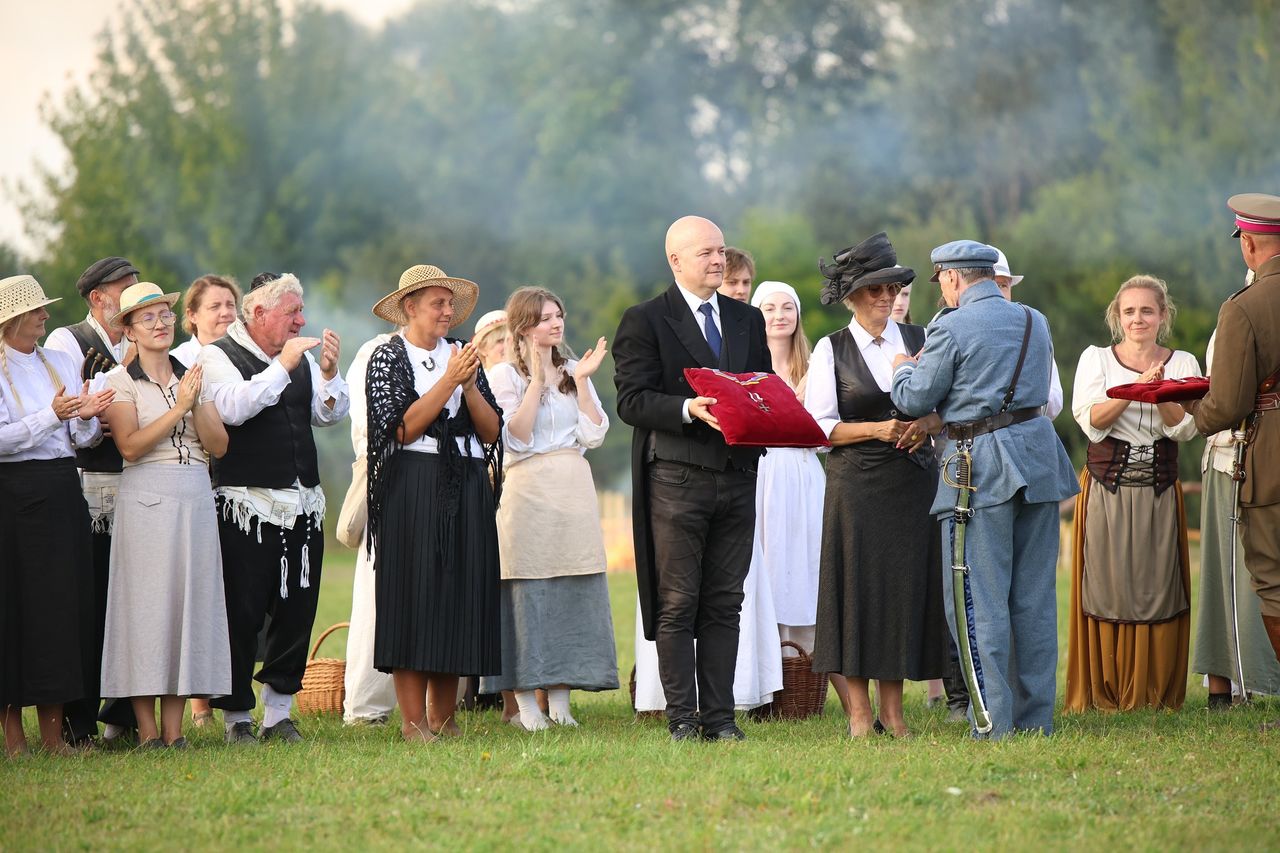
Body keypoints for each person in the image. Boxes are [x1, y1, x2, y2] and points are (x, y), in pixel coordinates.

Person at [890, 240, 1078, 740]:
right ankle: (1035, 720)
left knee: (976, 598)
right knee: (1035, 600)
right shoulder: (1034, 320)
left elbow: (914, 398)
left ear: (952, 278)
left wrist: (901, 369)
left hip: (980, 470)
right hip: (1038, 462)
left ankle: (992, 722)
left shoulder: (948, 326)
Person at [613, 215, 772, 742]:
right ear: (675, 260)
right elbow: (632, 400)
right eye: (705, 252)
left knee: (726, 601)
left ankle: (721, 720)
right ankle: (683, 717)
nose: (717, 260)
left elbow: (763, 388)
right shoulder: (645, 320)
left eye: (721, 251)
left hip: (738, 476)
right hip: (677, 480)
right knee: (679, 601)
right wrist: (686, 408)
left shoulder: (746, 320)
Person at [806, 235, 947, 737]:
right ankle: (860, 715)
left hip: (913, 485)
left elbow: (944, 410)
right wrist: (876, 429)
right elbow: (818, 428)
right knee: (855, 593)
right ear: (852, 298)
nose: (886, 297)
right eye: (874, 290)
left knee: (901, 594)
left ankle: (894, 712)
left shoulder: (920, 340)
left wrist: (924, 425)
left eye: (892, 287)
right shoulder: (831, 348)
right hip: (856, 486)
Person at [198, 271, 348, 745]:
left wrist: (326, 374)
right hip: (247, 503)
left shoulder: (296, 355)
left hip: (303, 501)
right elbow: (233, 409)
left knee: (295, 610)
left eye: (301, 311)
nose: (301, 320)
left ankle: (279, 713)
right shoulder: (216, 355)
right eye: (292, 312)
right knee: (241, 613)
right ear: (259, 314)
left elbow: (326, 415)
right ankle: (236, 717)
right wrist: (282, 365)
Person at [366, 265, 503, 743]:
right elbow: (402, 428)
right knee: (414, 593)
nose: (448, 312)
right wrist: (448, 381)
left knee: (458, 594)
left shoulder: (464, 356)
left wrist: (467, 384)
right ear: (410, 308)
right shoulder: (388, 357)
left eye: (451, 304)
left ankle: (445, 719)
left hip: (466, 479)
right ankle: (411, 723)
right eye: (438, 304)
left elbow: (491, 431)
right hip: (414, 480)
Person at [478, 287, 618, 729]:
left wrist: (581, 381)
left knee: (569, 592)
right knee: (526, 596)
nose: (556, 324)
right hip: (527, 490)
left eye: (559, 315)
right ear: (523, 326)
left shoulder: (574, 370)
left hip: (572, 488)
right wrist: (536, 383)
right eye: (544, 318)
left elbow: (595, 434)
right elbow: (513, 437)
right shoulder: (504, 375)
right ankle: (525, 706)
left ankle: (560, 703)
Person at [99, 283, 231, 748]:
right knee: (146, 611)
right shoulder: (118, 382)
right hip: (147, 499)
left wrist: (194, 403)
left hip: (194, 495)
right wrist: (178, 408)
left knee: (183, 608)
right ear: (129, 330)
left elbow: (218, 446)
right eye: (148, 317)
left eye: (164, 315)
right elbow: (131, 447)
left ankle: (174, 733)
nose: (160, 323)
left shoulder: (194, 375)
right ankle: (148, 731)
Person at [1065, 275, 1200, 712]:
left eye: (1147, 310)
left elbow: (1183, 427)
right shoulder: (1096, 360)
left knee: (1159, 587)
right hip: (1108, 488)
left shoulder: (1183, 362)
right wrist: (1136, 387)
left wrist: (1160, 391)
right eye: (1129, 311)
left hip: (1159, 490)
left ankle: (1155, 691)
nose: (1137, 318)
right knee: (1107, 586)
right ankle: (1108, 688)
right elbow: (1093, 422)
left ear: (1163, 315)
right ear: (1117, 317)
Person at [0, 275, 114, 756]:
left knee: (61, 610)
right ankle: (13, 737)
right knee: (14, 610)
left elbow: (81, 440)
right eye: (36, 311)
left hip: (63, 487)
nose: (45, 317)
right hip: (14, 495)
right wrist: (53, 414)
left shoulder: (59, 359)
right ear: (12, 319)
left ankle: (54, 734)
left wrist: (87, 415)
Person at [1190, 192, 1280, 729]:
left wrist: (1189, 415)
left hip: (1270, 457)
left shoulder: (1243, 308)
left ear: (1248, 244)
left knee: (1272, 578)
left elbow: (1227, 403)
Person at [44, 256, 140, 746]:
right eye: (125, 287)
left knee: (133, 603)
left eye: (135, 285)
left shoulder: (145, 339)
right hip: (94, 486)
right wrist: (95, 414)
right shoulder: (67, 340)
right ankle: (78, 718)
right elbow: (65, 409)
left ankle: (123, 715)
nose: (133, 294)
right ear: (97, 297)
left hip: (140, 483)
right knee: (91, 601)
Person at [750, 280, 846, 713]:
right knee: (764, 566)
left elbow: (826, 435)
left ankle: (812, 674)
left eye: (787, 307)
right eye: (768, 308)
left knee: (807, 567)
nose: (778, 315)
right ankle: (761, 686)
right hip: (760, 474)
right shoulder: (746, 367)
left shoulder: (816, 369)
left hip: (804, 475)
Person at [340, 328, 399, 727]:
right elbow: (370, 423)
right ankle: (366, 705)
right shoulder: (376, 351)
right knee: (378, 593)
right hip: (389, 471)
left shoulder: (447, 352)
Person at [989, 247, 1064, 419]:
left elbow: (1055, 400)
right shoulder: (948, 328)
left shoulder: (1031, 332)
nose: (998, 294)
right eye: (992, 285)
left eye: (1003, 285)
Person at [172, 274, 242, 368]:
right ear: (192, 315)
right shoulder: (177, 361)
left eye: (230, 305)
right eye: (215, 307)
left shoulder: (252, 354)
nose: (225, 312)